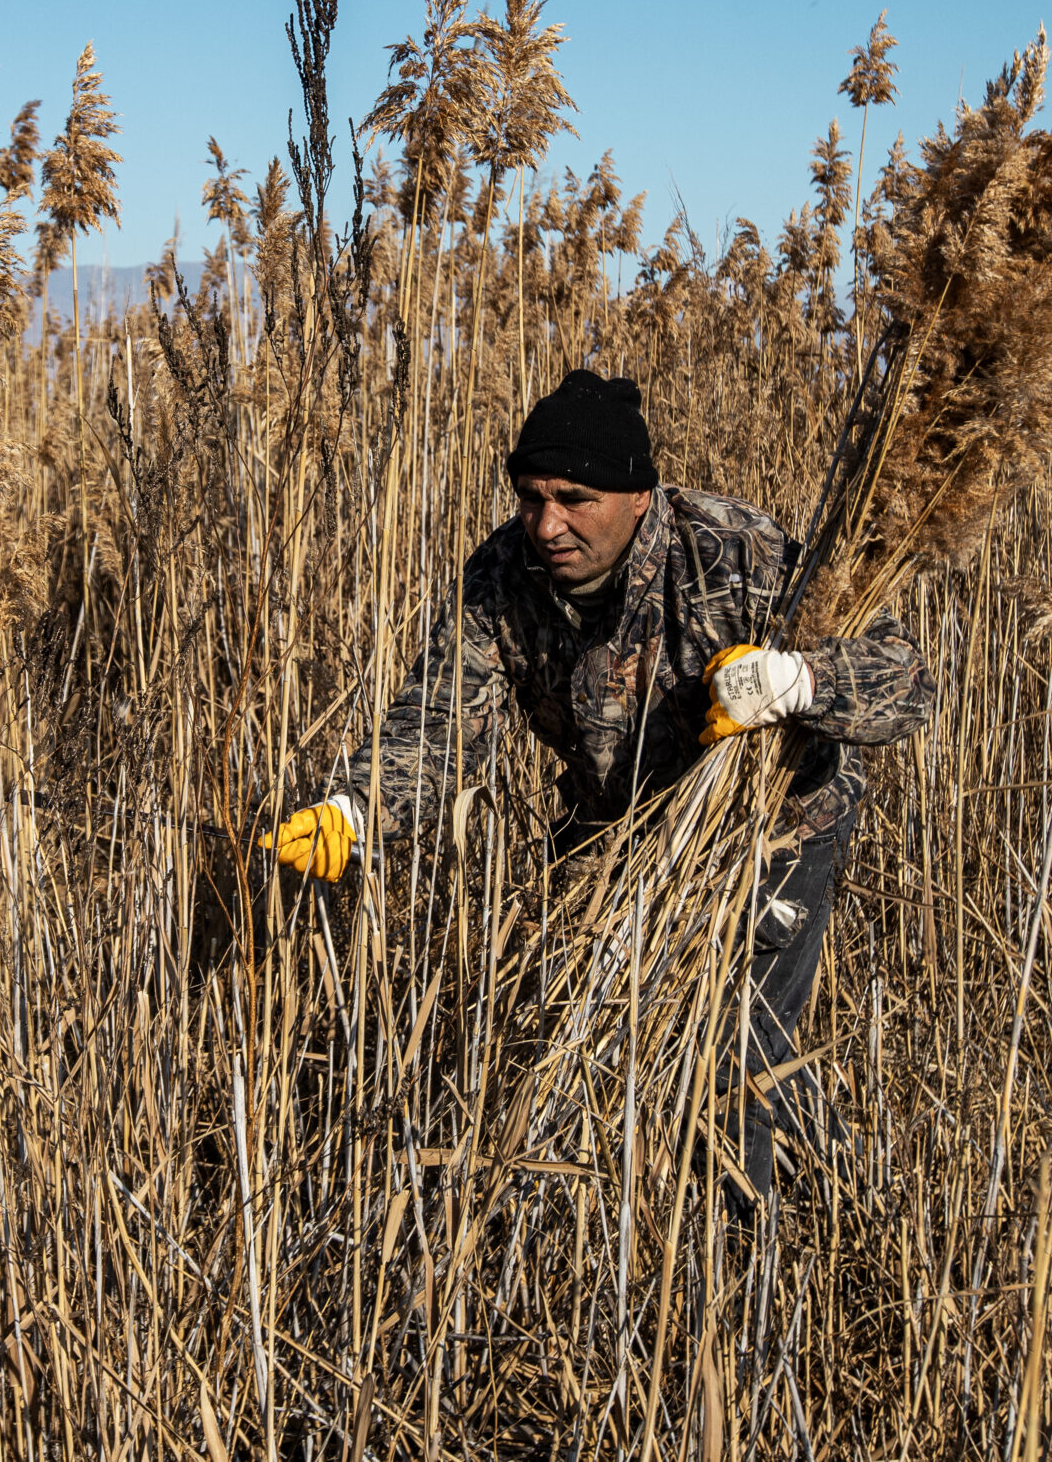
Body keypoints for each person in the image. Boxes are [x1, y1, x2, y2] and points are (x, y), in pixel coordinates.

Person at [259, 369, 936, 1206]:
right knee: (574, 1036)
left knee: (736, 1059)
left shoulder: (732, 550)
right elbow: (439, 721)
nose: (548, 523)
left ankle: (754, 1266)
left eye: (575, 497)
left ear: (639, 495)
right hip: (615, 824)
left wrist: (792, 680)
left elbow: (907, 680)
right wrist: (356, 809)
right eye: (531, 495)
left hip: (774, 831)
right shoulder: (504, 574)